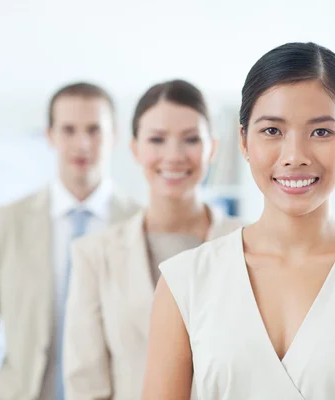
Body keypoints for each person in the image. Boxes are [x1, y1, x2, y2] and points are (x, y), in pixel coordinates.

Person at [141, 42, 335, 400]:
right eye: (272, 131)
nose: (295, 156)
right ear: (243, 140)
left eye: (320, 132)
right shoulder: (185, 282)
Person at [63, 79, 242, 399]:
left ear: (212, 147)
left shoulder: (249, 243)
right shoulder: (94, 255)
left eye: (190, 139)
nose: (173, 156)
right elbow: (85, 384)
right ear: (135, 149)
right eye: (157, 139)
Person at [0, 83, 138, 400]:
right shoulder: (7, 222)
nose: (82, 143)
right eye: (69, 130)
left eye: (94, 130)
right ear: (50, 136)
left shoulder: (140, 223)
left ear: (113, 136)